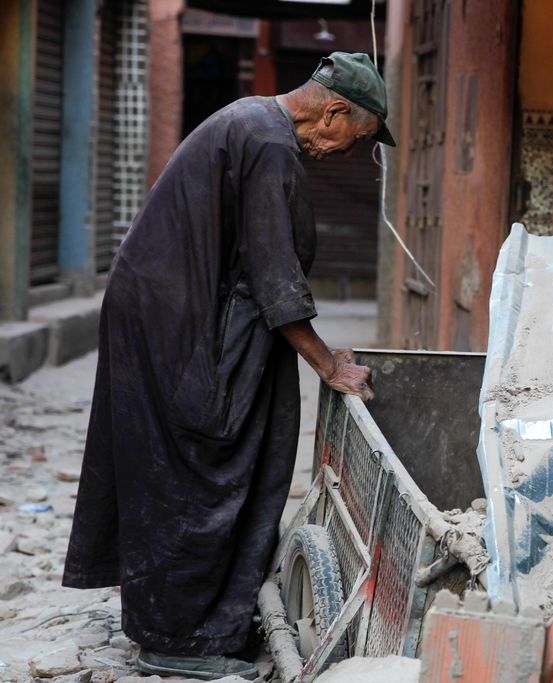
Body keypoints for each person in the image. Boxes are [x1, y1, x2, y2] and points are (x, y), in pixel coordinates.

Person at [62, 52, 395, 680]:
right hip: (176, 322)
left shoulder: (257, 123)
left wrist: (319, 353)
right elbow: (275, 275)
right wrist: (327, 364)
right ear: (335, 111)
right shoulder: (269, 145)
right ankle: (179, 640)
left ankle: (192, 621)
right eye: (360, 138)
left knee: (215, 453)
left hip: (172, 311)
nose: (353, 152)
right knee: (206, 465)